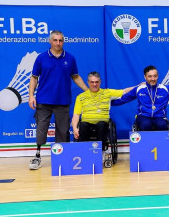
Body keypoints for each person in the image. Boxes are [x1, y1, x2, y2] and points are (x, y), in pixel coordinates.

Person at [28, 30, 88, 170]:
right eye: (55, 40)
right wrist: (31, 96)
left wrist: (88, 91)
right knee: (41, 130)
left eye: (60, 40)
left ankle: (62, 157)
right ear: (50, 41)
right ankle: (37, 156)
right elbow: (34, 77)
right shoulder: (41, 58)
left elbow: (75, 76)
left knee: (63, 131)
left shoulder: (70, 58)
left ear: (63, 41)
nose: (58, 43)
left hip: (63, 101)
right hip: (44, 100)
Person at [71, 71, 133, 150]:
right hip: (86, 123)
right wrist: (75, 129)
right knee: (83, 125)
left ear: (100, 82)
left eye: (96, 82)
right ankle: (85, 152)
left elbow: (124, 91)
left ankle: (101, 152)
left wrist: (138, 86)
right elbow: (76, 115)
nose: (94, 84)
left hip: (102, 123)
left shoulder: (107, 93)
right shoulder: (80, 97)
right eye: (92, 82)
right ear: (88, 82)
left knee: (101, 124)